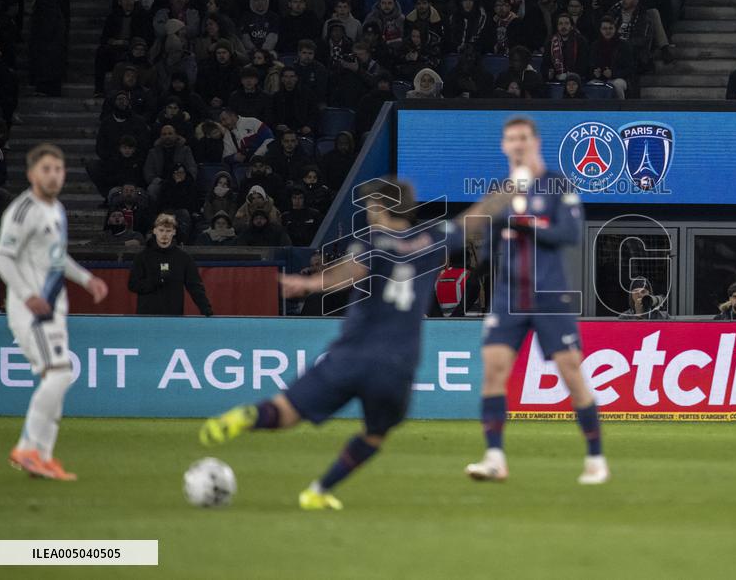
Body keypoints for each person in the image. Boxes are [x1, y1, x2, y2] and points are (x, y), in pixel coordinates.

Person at [198, 174, 525, 509]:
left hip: (351, 355)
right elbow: (476, 217)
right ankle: (318, 492)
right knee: (374, 435)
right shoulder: (433, 238)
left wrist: (309, 285)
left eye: (371, 205)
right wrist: (510, 188)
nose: (368, 211)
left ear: (383, 207)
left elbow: (349, 273)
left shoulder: (373, 241)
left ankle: (245, 417)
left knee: (285, 412)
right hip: (397, 365)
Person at [464, 116, 608, 486]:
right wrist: (478, 270)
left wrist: (528, 224)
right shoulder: (500, 190)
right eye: (511, 138)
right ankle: (494, 457)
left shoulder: (558, 184)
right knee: (494, 370)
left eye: (523, 137)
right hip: (508, 297)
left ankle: (595, 459)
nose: (517, 144)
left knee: (572, 375)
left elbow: (570, 232)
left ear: (535, 142)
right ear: (503, 146)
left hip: (548, 295)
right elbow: (490, 240)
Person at [0, 144, 108, 480]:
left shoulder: (57, 209)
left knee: (56, 379)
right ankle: (28, 448)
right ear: (32, 174)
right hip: (33, 309)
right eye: (46, 169)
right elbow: (3, 258)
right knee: (59, 374)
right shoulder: (22, 211)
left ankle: (41, 458)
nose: (54, 175)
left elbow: (58, 259)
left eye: (59, 169)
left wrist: (88, 279)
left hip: (54, 308)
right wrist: (28, 295)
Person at [128, 213, 213, 316]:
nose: (164, 234)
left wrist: (206, 309)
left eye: (168, 231)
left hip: (173, 315)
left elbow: (195, 286)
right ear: (155, 231)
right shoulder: (142, 257)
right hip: (147, 315)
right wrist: (154, 281)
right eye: (161, 230)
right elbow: (133, 285)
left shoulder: (184, 258)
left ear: (174, 232)